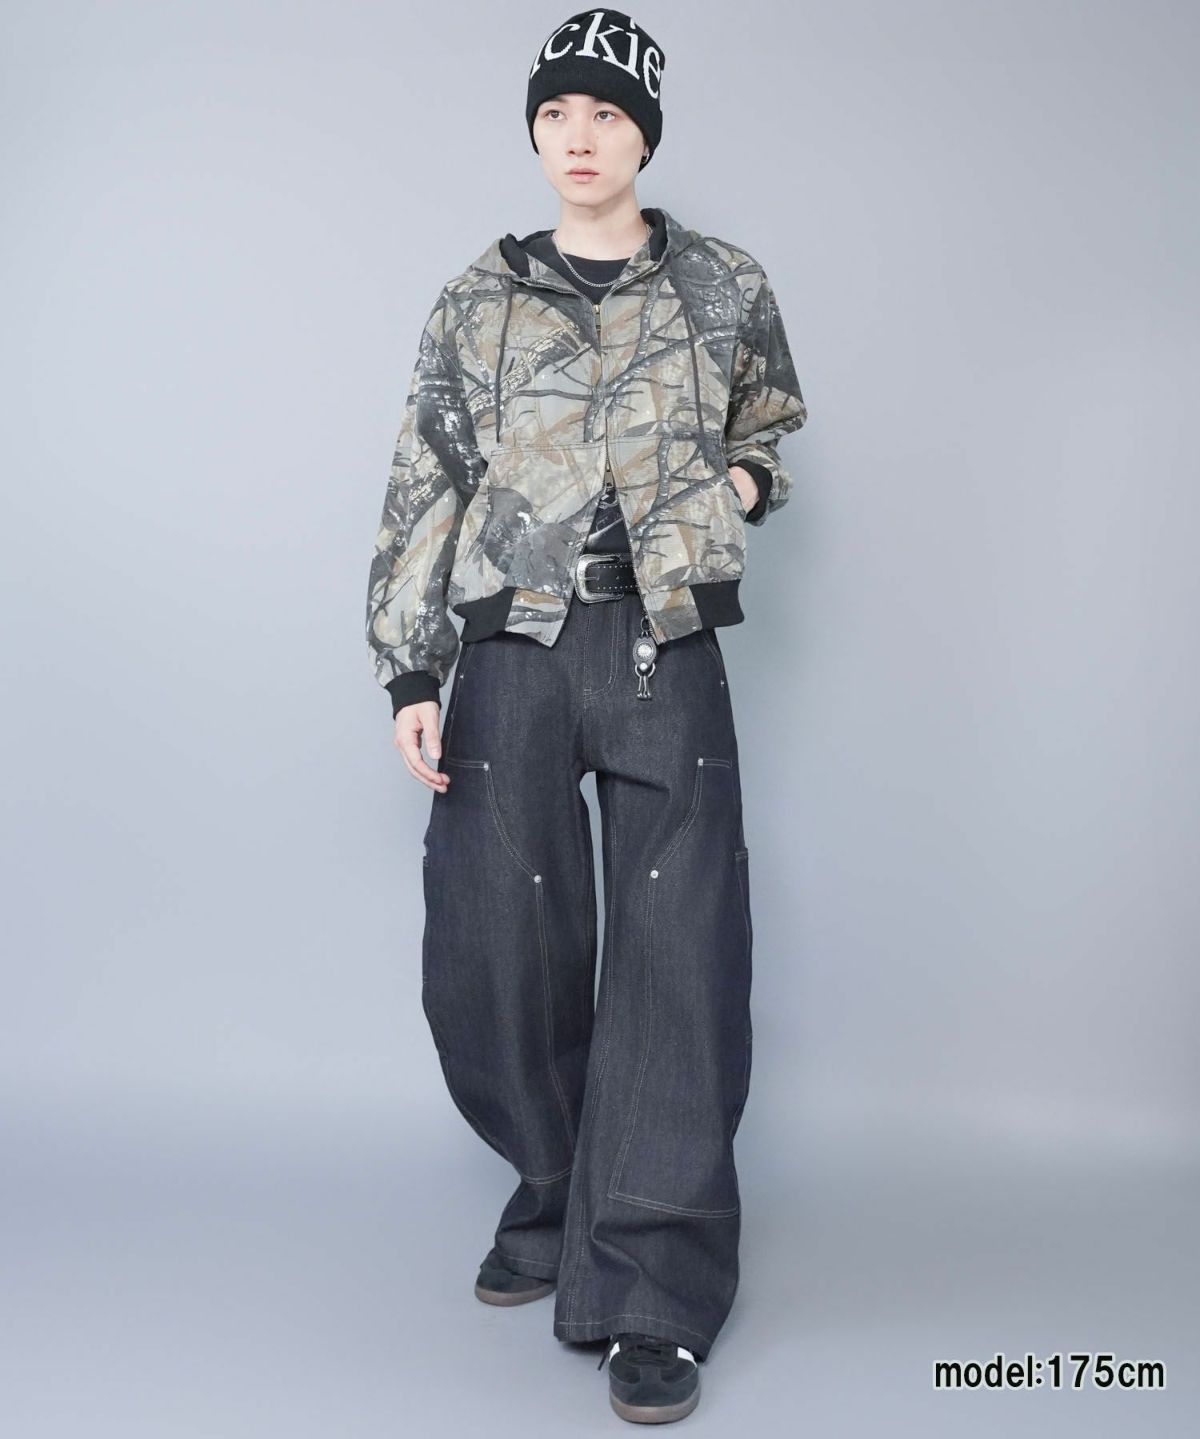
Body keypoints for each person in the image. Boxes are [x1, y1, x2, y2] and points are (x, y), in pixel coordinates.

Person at [366, 8, 807, 1424]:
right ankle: (556, 1184)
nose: (580, 135)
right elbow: (426, 482)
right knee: (494, 934)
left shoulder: (723, 282)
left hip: (664, 636)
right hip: (515, 641)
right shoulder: (475, 299)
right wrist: (411, 671)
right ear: (534, 128)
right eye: (559, 111)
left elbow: (767, 424)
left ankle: (653, 1285)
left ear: (645, 135)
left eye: (608, 113)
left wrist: (738, 488)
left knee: (681, 951)